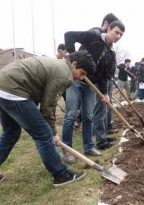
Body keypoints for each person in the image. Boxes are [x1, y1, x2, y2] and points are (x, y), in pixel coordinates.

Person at [0, 51, 96, 186]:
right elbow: (48, 107)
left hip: (3, 86)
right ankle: (61, 175)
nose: (81, 78)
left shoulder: (59, 65)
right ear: (74, 64)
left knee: (11, 133)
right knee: (43, 134)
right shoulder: (64, 74)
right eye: (82, 73)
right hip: (14, 91)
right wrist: (53, 132)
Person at [63, 19, 125, 161]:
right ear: (108, 28)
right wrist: (73, 57)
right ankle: (67, 150)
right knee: (70, 115)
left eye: (121, 35)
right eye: (116, 32)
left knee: (88, 116)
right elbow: (69, 35)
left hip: (91, 86)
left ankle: (89, 147)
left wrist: (104, 93)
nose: (118, 36)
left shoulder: (110, 54)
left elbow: (104, 76)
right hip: (76, 81)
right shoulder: (93, 36)